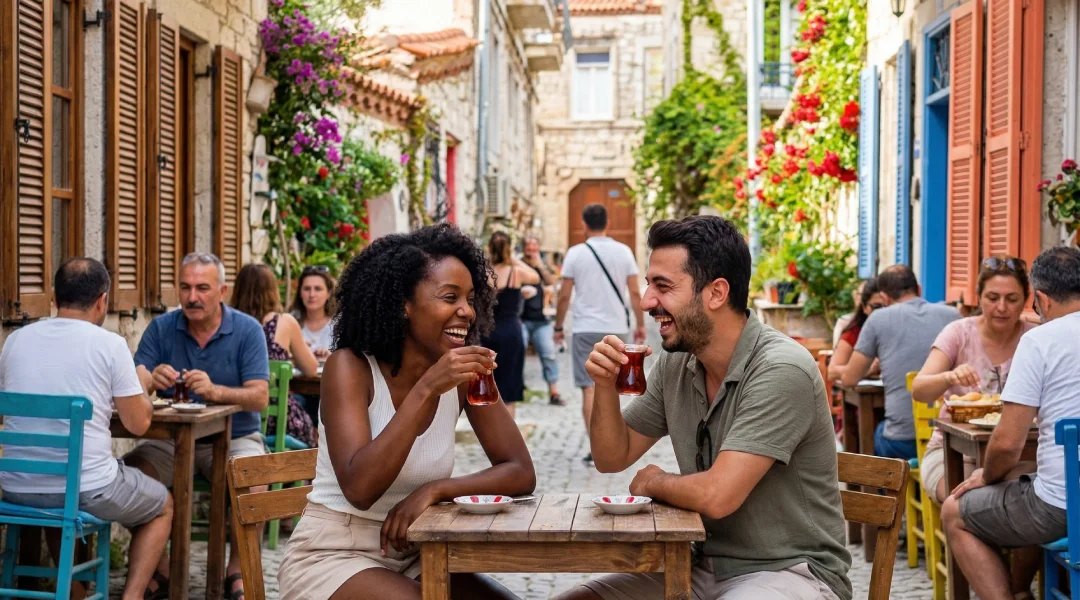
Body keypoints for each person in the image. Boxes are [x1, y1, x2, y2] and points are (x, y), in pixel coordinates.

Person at [558, 216, 852, 600]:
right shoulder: (678, 361)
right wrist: (604, 386)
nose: (647, 301)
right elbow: (612, 456)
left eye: (662, 287)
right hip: (699, 566)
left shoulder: (781, 369)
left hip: (792, 571)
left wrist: (654, 482)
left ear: (716, 293)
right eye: (648, 285)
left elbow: (718, 496)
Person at [277, 223, 535, 600]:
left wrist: (435, 490)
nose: (466, 311)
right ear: (404, 304)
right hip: (333, 554)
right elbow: (360, 488)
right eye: (450, 297)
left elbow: (520, 471)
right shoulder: (349, 368)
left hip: (417, 552)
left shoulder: (464, 375)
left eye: (470, 298)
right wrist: (429, 387)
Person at [0, 258, 173, 600]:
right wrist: (142, 384)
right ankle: (132, 596)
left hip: (16, 487)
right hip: (86, 489)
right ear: (102, 301)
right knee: (163, 504)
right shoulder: (109, 344)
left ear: (53, 297)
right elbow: (139, 423)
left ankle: (76, 592)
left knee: (65, 488)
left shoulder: (15, 341)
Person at [124, 252, 270, 600]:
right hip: (171, 441)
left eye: (202, 288)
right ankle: (159, 564)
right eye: (186, 287)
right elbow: (129, 382)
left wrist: (215, 391)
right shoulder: (162, 327)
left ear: (222, 291)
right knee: (129, 476)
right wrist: (148, 378)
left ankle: (237, 568)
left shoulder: (247, 329)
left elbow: (260, 397)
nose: (192, 297)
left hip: (235, 436)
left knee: (255, 479)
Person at [943, 247, 1080, 600]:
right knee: (1027, 476)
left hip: (1062, 508)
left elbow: (1005, 445)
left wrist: (985, 476)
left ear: (1041, 299)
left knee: (954, 511)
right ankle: (1021, 591)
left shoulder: (1039, 340)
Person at [913, 256, 1035, 504]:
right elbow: (919, 390)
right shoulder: (958, 333)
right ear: (979, 297)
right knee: (964, 504)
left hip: (1018, 453)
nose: (1002, 307)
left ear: (1026, 300)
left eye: (1012, 299)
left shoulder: (1035, 338)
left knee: (1020, 499)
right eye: (992, 298)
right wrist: (949, 376)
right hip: (952, 453)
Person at [554, 204, 645, 463]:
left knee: (589, 388)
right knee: (613, 387)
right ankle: (611, 443)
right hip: (617, 326)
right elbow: (635, 292)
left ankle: (597, 448)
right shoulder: (624, 252)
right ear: (607, 223)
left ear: (584, 224)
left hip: (585, 328)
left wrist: (559, 327)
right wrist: (639, 323)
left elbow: (564, 296)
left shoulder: (575, 253)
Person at [841, 265, 960, 460]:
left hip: (903, 441)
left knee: (878, 434)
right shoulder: (952, 315)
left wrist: (873, 369)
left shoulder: (878, 319)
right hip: (950, 437)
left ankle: (876, 490)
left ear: (884, 298)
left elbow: (848, 379)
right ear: (919, 290)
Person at [233, 263, 319, 448]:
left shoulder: (230, 324)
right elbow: (311, 368)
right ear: (272, 291)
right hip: (277, 422)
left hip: (236, 419)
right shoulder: (284, 322)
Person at [483, 232, 540, 420]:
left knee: (487, 385)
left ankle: (488, 433)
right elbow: (536, 277)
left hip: (487, 333)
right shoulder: (516, 272)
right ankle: (507, 436)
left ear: (490, 248)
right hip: (511, 333)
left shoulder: (483, 274)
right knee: (509, 389)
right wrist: (515, 259)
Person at [520, 235, 564, 406]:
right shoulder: (518, 265)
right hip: (522, 318)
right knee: (517, 353)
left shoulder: (543, 264)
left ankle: (554, 392)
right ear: (524, 249)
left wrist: (539, 266)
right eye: (529, 248)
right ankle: (517, 388)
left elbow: (552, 282)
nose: (532, 252)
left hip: (542, 319)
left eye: (534, 248)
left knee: (548, 354)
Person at [827, 277, 885, 382]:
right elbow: (832, 371)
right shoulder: (854, 333)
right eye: (876, 307)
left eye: (886, 307)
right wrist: (865, 369)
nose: (881, 312)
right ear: (864, 307)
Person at [291, 265, 337, 359]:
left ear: (328, 293)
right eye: (307, 289)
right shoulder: (290, 321)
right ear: (300, 292)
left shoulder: (339, 324)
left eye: (318, 289)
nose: (312, 295)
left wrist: (331, 358)